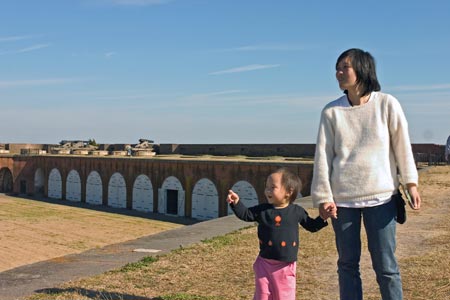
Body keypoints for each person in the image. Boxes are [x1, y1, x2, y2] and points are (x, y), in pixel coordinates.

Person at [311, 48, 422, 300]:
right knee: (347, 265)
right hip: (342, 201)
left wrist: (411, 184)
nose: (338, 72)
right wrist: (323, 198)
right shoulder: (331, 112)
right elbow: (323, 157)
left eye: (344, 67)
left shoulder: (387, 104)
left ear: (362, 69)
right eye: (337, 68)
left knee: (386, 266)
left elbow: (402, 146)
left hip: (381, 197)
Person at [227, 167, 328, 300]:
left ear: (288, 192)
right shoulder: (263, 210)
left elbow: (311, 226)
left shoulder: (297, 211)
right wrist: (236, 203)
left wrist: (323, 218)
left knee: (284, 295)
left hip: (286, 266)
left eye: (272, 187)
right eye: (266, 187)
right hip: (264, 263)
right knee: (263, 295)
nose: (267, 190)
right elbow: (246, 214)